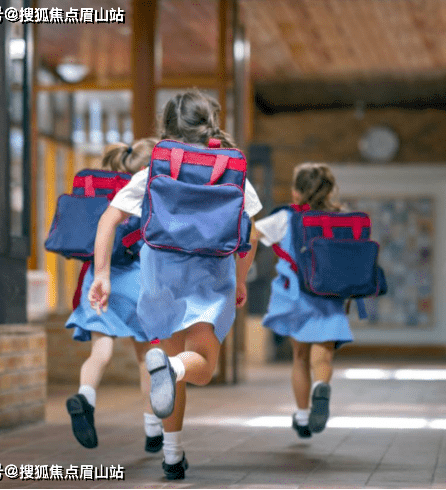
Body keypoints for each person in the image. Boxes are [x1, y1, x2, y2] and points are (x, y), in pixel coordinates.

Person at [88, 90, 262, 480]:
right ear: (211, 122)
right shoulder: (231, 169)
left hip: (160, 276)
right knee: (200, 364)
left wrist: (101, 274)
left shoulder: (154, 169)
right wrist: (239, 277)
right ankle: (170, 369)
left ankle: (172, 455)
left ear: (166, 126)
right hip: (210, 276)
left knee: (171, 368)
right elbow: (252, 231)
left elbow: (108, 220)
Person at [65, 138, 164, 453]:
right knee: (146, 357)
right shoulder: (144, 188)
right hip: (136, 278)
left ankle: (85, 396)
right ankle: (153, 429)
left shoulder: (101, 191)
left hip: (99, 278)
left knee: (100, 352)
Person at [254, 163, 353, 439]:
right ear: (328, 191)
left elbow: (251, 235)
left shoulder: (285, 217)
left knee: (300, 357)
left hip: (296, 296)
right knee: (324, 356)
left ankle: (301, 415)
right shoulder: (340, 218)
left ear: (296, 192)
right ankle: (321, 386)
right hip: (329, 296)